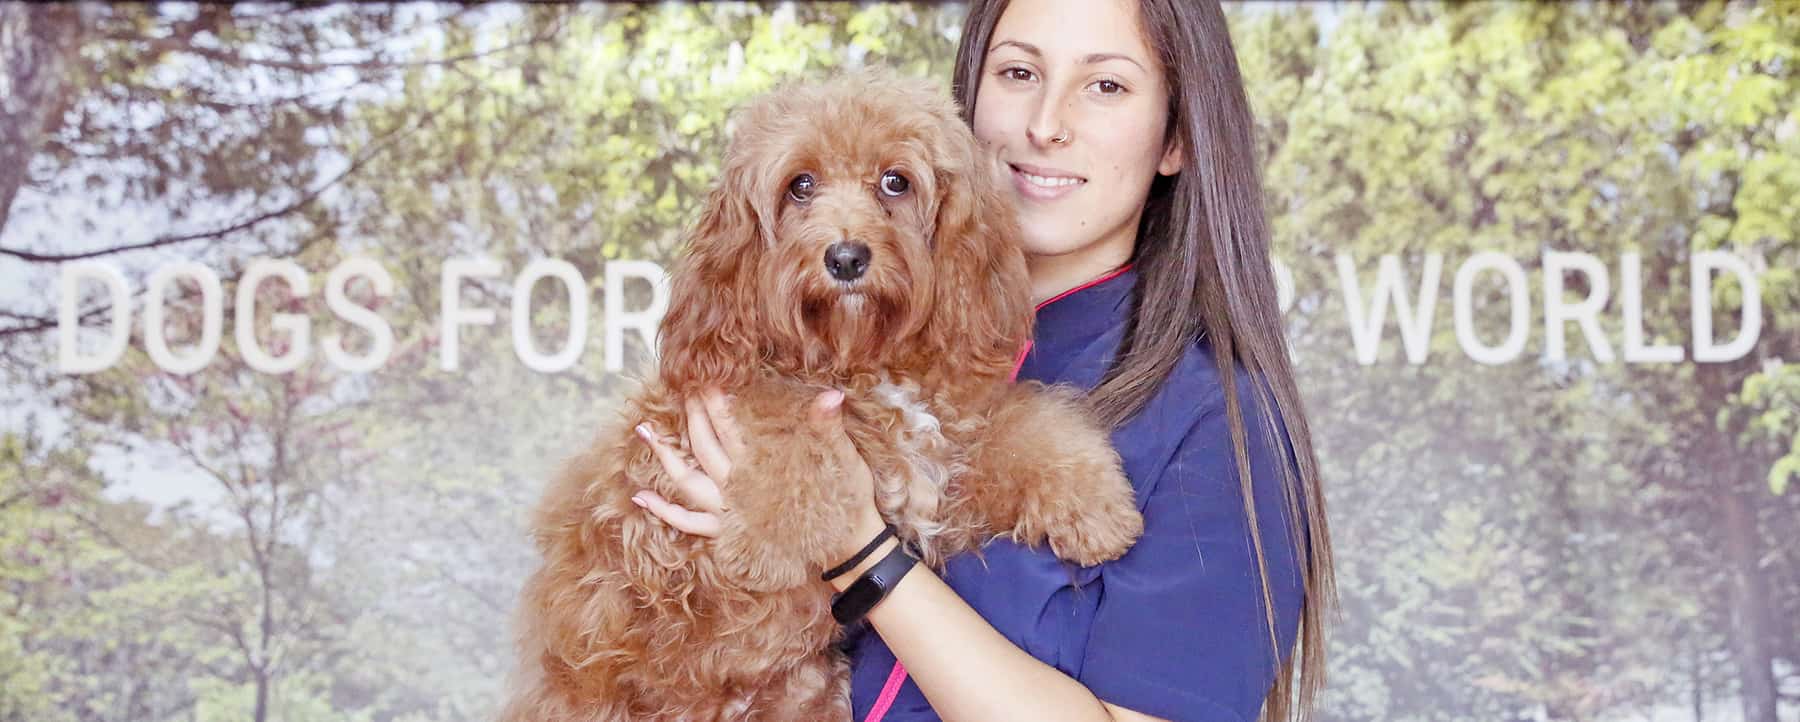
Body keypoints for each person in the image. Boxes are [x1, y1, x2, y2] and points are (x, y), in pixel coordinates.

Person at [630, 0, 1336, 720]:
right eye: (1019, 72)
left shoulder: (1216, 422)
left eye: (1106, 86)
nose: (1045, 124)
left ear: (1176, 138)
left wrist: (861, 552)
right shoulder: (842, 345)